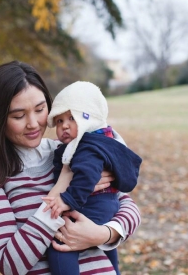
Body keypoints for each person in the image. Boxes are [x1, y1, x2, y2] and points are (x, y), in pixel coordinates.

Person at [0, 61, 141, 275]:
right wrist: (59, 192)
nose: (34, 123)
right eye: (18, 116)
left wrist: (103, 234)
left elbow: (127, 205)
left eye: (40, 110)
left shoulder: (69, 149)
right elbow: (10, 264)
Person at [42, 81, 142, 275]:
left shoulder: (86, 147)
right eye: (60, 121)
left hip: (92, 206)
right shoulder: (105, 140)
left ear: (88, 118)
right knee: (106, 249)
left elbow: (87, 176)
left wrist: (65, 200)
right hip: (106, 207)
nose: (64, 126)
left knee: (59, 249)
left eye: (71, 118)